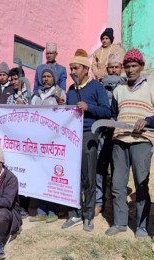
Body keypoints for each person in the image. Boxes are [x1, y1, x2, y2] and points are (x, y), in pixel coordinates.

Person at [106, 49, 154, 239]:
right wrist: (111, 123)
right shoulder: (119, 90)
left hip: (142, 141)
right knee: (117, 184)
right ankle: (120, 223)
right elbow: (114, 114)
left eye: (134, 66)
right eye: (127, 66)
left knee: (141, 183)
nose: (130, 70)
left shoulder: (153, 87)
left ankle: (141, 225)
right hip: (120, 141)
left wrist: (148, 121)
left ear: (141, 66)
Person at [61, 49, 111, 232]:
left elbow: (107, 112)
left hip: (89, 134)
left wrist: (88, 107)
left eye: (75, 68)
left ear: (85, 69)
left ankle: (88, 215)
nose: (72, 72)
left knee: (89, 176)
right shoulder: (71, 89)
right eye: (71, 69)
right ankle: (74, 213)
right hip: (71, 137)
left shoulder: (97, 88)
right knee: (72, 177)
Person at [29, 65, 65, 223]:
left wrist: (61, 103)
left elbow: (65, 114)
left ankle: (53, 211)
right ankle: (41, 210)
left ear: (54, 79)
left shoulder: (59, 93)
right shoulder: (37, 95)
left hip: (53, 141)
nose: (45, 79)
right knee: (40, 174)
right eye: (43, 77)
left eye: (48, 76)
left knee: (52, 175)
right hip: (38, 141)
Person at [95, 53, 127, 216]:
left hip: (120, 135)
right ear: (107, 68)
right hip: (103, 133)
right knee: (100, 169)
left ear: (121, 68)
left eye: (117, 67)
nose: (114, 70)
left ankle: (116, 204)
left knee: (118, 171)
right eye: (111, 67)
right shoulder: (100, 86)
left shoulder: (127, 86)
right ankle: (99, 202)